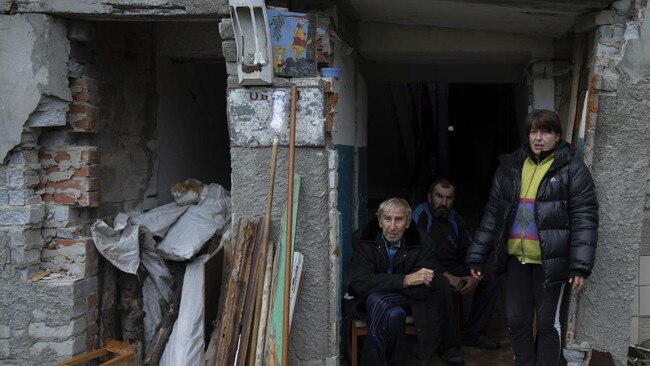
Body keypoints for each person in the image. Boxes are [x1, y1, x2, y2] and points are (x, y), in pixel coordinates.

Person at [466, 109, 599, 366]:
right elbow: (492, 216)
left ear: (557, 135)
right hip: (517, 258)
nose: (538, 138)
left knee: (549, 323)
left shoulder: (572, 169)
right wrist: (476, 257)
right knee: (517, 321)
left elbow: (585, 219)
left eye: (545, 131)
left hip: (552, 261)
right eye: (533, 132)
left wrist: (580, 266)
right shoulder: (509, 168)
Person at [346, 197, 441, 365]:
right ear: (379, 221)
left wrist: (381, 283)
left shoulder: (423, 242)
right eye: (387, 219)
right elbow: (360, 282)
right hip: (368, 300)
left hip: (411, 301)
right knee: (394, 314)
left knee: (379, 298)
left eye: (399, 219)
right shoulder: (363, 238)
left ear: (408, 222)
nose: (392, 227)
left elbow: (422, 289)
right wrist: (406, 280)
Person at [413, 178, 500, 351]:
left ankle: (473, 334)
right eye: (439, 196)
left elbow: (469, 252)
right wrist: (446, 276)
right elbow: (415, 255)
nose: (443, 203)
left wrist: (475, 274)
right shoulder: (420, 215)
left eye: (449, 198)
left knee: (490, 274)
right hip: (427, 268)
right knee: (442, 284)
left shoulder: (455, 218)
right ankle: (448, 346)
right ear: (429, 197)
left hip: (452, 267)